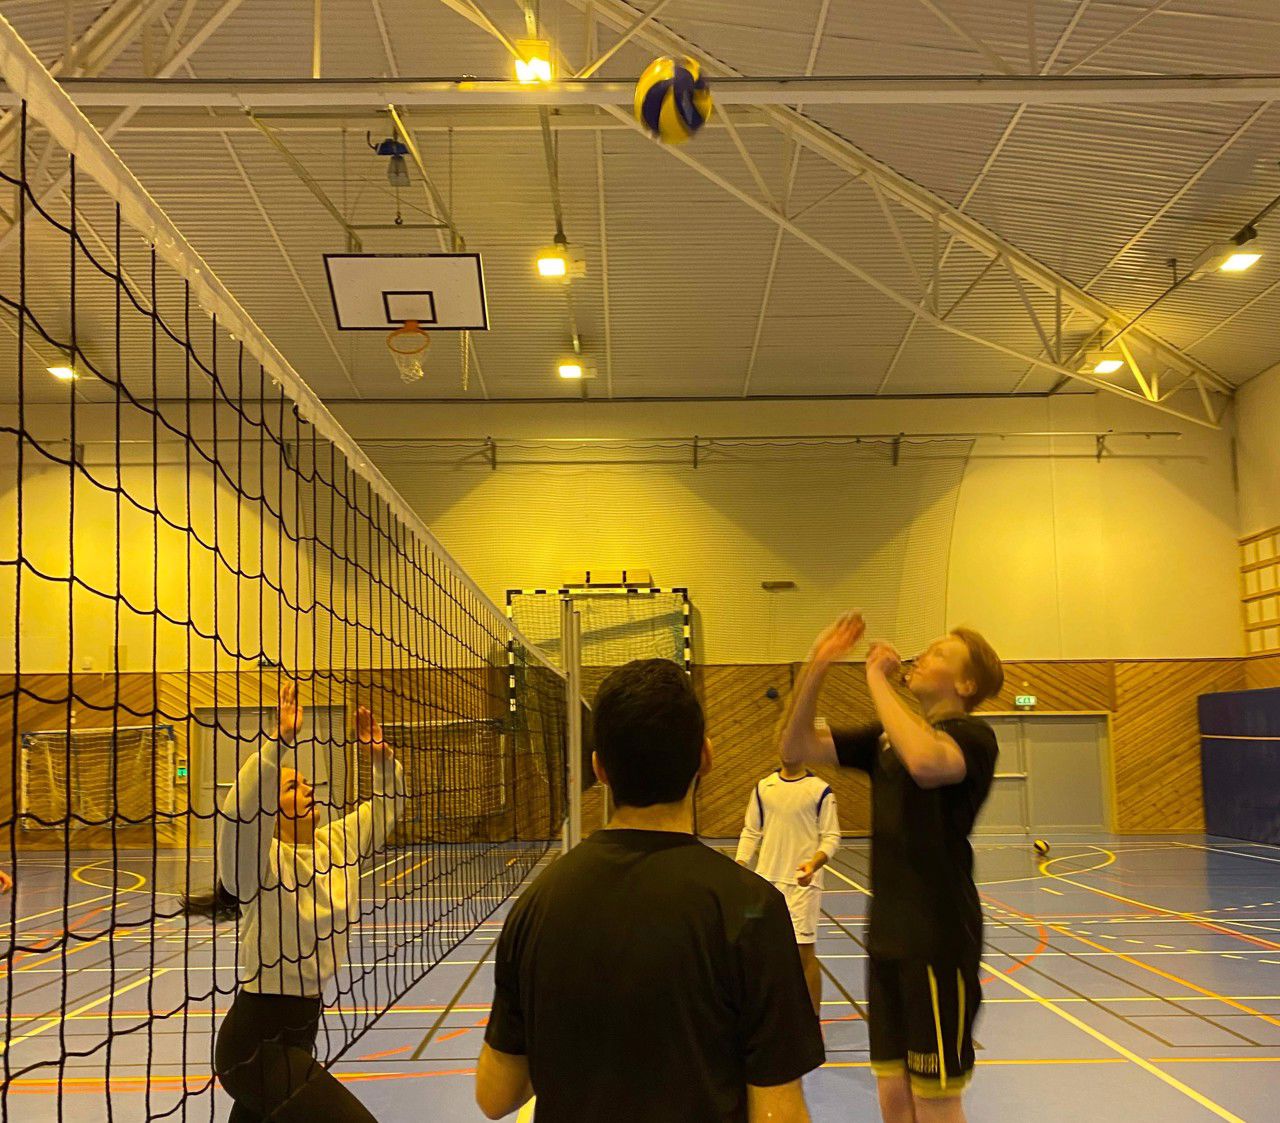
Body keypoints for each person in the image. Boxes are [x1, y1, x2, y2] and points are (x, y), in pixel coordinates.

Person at [476, 658, 824, 1123]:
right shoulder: (753, 910)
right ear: (705, 756)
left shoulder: (537, 905)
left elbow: (495, 1095)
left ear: (599, 768)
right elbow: (778, 1114)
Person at [780, 614, 1003, 1123]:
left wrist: (877, 679)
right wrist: (818, 666)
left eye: (939, 654)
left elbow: (926, 763)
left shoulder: (972, 736)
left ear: (965, 684)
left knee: (935, 1097)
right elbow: (794, 748)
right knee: (894, 1097)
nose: (921, 657)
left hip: (938, 939)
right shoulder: (885, 738)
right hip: (886, 937)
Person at [214, 680, 405, 1123]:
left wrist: (381, 761)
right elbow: (237, 818)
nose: (304, 788)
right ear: (270, 812)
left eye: (303, 782)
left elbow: (386, 808)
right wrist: (275, 746)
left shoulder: (336, 843)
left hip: (301, 1033)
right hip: (254, 1045)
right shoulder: (257, 866)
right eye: (289, 787)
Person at [735, 760, 841, 1015]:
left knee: (804, 953)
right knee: (760, 952)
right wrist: (739, 864)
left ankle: (811, 1023)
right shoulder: (763, 788)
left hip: (802, 886)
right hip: (764, 884)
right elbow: (751, 830)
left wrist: (813, 864)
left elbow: (831, 836)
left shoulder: (820, 790)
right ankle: (767, 1017)